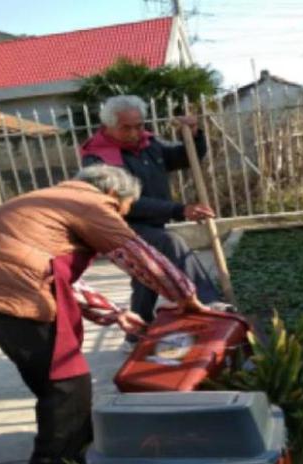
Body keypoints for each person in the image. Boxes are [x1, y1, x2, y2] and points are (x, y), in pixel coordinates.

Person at [0, 165, 207, 464]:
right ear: (113, 194)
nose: (122, 216)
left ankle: (77, 438)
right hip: (9, 297)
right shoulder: (92, 204)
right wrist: (186, 297)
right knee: (66, 380)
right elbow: (140, 256)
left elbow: (52, 277)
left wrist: (116, 315)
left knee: (51, 376)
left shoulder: (50, 199)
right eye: (124, 209)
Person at [80, 95, 227, 349]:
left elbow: (186, 157)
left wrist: (193, 134)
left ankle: (134, 335)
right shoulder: (98, 157)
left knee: (146, 276)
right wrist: (179, 209)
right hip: (118, 228)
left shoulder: (149, 144)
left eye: (139, 125)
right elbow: (128, 202)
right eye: (128, 127)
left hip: (151, 224)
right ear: (109, 126)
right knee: (170, 242)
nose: (136, 132)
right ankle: (210, 301)